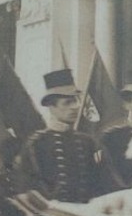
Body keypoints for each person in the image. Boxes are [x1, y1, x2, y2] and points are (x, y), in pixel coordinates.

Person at [13, 68, 104, 203]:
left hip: (86, 215)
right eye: (67, 103)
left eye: (75, 101)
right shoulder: (37, 144)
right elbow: (27, 188)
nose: (75, 107)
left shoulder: (87, 142)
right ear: (52, 107)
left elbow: (99, 183)